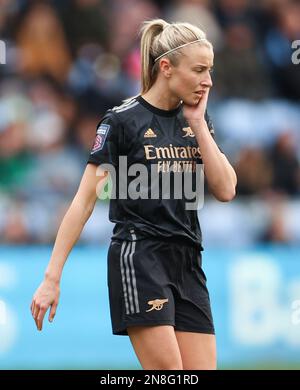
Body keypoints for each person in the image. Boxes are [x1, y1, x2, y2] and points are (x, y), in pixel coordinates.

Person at [30, 18, 237, 370]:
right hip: (140, 258)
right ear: (167, 68)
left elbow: (226, 189)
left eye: (211, 70)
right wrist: (52, 277)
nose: (209, 81)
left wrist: (200, 125)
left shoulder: (198, 120)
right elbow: (83, 202)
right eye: (200, 70)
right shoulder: (122, 121)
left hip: (188, 261)